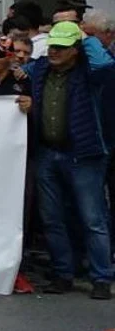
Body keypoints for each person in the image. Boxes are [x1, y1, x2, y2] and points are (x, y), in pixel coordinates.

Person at [25, 21, 115, 297]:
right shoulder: (40, 69)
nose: (54, 51)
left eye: (62, 47)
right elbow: (15, 71)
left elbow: (104, 65)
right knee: (52, 217)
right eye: (52, 45)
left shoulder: (90, 71)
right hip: (47, 152)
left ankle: (102, 277)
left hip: (84, 154)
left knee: (92, 218)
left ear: (76, 49)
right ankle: (63, 272)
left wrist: (87, 37)